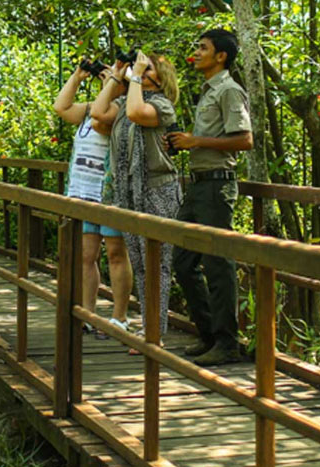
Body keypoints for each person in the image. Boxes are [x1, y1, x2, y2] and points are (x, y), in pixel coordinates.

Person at [166, 29, 254, 366]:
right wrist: (183, 143)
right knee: (184, 262)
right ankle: (209, 334)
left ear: (221, 56)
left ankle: (227, 342)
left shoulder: (230, 90)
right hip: (198, 185)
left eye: (203, 48)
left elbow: (245, 141)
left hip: (217, 187)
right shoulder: (208, 92)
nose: (196, 52)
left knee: (218, 264)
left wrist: (197, 142)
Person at [90, 51, 183, 354]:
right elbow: (98, 114)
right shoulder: (127, 99)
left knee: (159, 264)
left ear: (160, 77)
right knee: (141, 264)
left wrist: (134, 77)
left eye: (148, 69)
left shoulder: (161, 106)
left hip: (159, 191)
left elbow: (134, 113)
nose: (140, 71)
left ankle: (155, 332)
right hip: (128, 193)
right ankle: (147, 324)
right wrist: (118, 75)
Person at [53, 59, 133, 337]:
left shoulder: (122, 110)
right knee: (86, 255)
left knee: (115, 253)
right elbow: (61, 107)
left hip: (109, 193)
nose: (105, 78)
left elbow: (101, 120)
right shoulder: (91, 107)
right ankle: (88, 312)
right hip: (82, 191)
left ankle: (119, 316)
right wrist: (78, 76)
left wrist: (114, 80)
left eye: (112, 78)